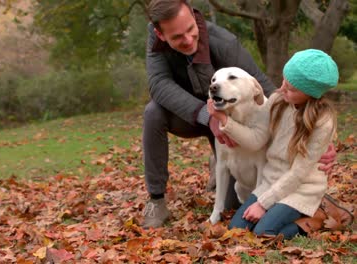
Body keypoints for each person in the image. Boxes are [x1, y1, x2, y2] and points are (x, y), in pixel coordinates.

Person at [142, 0, 337, 229]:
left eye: (190, 30)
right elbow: (158, 85)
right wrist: (208, 115)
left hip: (233, 120)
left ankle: (221, 160)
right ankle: (157, 200)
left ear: (195, 17)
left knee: (233, 204)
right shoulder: (155, 40)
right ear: (160, 34)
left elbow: (264, 87)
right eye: (177, 37)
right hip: (191, 115)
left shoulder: (224, 42)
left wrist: (316, 137)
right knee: (152, 112)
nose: (187, 40)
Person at [208, 49, 352, 239]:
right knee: (237, 229)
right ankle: (281, 212)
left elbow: (297, 174)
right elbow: (257, 139)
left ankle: (316, 218)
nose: (283, 88)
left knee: (263, 233)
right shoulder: (278, 100)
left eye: (292, 89)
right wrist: (224, 120)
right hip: (271, 182)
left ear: (311, 95)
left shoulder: (322, 122)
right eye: (284, 81)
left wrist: (262, 204)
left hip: (301, 189)